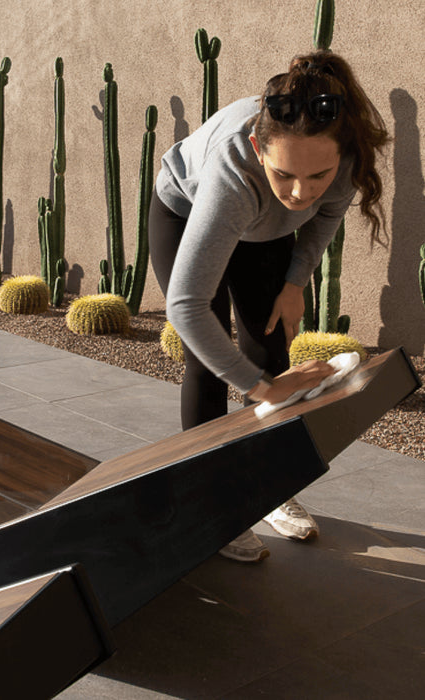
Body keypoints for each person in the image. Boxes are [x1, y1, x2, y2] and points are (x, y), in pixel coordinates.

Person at [149, 50, 389, 562]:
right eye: (285, 175)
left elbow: (323, 219)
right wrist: (260, 389)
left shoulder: (344, 160)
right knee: (208, 360)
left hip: (266, 232)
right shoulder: (233, 171)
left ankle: (269, 490)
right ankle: (214, 504)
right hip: (188, 209)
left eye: (318, 176)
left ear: (340, 157)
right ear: (259, 148)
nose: (301, 192)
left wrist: (295, 282)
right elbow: (185, 306)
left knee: (270, 346)